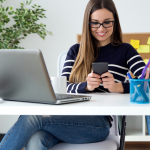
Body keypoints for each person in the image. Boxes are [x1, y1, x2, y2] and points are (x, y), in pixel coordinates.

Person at [0, 0, 149, 150]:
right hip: (66, 117)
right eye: (95, 23)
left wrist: (118, 87)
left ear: (115, 22)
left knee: (32, 116)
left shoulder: (125, 50)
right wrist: (87, 86)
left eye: (107, 22)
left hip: (98, 124)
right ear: (87, 23)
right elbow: (62, 89)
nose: (101, 28)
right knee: (36, 139)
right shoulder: (75, 51)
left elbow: (146, 84)